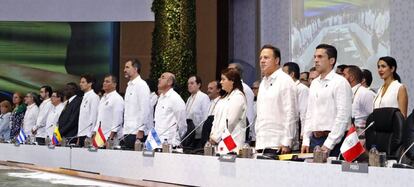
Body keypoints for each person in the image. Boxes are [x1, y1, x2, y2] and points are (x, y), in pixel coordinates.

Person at [301, 44, 352, 157]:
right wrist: (306, 139)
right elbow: (309, 113)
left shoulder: (340, 82)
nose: (315, 60)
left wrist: (329, 143)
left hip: (335, 141)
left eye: (320, 57)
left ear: (331, 60)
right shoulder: (314, 83)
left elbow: (343, 116)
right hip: (314, 140)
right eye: (315, 57)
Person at [255, 45, 297, 153]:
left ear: (277, 60)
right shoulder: (263, 82)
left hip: (278, 144)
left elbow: (291, 113)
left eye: (266, 58)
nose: (262, 61)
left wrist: (287, 141)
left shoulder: (285, 81)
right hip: (261, 142)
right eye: (260, 58)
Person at [209, 68, 247, 152]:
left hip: (232, 142)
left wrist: (216, 138)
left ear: (232, 81)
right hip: (220, 142)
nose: (221, 82)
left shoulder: (238, 97)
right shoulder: (224, 98)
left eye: (223, 79)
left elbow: (230, 123)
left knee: (230, 160)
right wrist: (212, 135)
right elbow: (216, 120)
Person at [121, 59, 151, 149]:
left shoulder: (142, 85)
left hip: (137, 132)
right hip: (128, 130)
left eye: (127, 67)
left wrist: (141, 129)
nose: (124, 70)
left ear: (135, 69)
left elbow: (145, 109)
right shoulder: (129, 86)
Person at [343, 65, 375, 141]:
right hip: (347, 136)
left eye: (344, 75)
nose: (341, 78)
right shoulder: (346, 92)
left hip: (361, 138)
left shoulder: (365, 93)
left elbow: (374, 118)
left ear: (351, 77)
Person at [154, 72, 186, 146]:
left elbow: (182, 125)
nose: (159, 79)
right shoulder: (160, 98)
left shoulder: (175, 99)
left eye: (162, 77)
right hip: (156, 142)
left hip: (170, 143)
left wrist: (176, 139)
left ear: (170, 82)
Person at [283, 62, 309, 151]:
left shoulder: (302, 89)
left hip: (297, 132)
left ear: (292, 74)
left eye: (284, 73)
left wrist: (304, 135)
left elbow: (304, 112)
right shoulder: (286, 88)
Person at [93, 75, 124, 147]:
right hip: (99, 136)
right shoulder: (103, 98)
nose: (104, 83)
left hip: (110, 137)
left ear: (114, 84)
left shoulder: (117, 98)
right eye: (104, 81)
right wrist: (95, 133)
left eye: (107, 82)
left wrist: (110, 138)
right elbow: (99, 119)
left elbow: (118, 120)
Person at [228, 63, 255, 143]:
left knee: (236, 152)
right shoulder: (230, 89)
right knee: (227, 152)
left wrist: (248, 130)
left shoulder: (245, 89)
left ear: (237, 72)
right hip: (229, 129)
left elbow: (249, 112)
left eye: (230, 70)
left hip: (240, 129)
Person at [185, 75, 210, 146]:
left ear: (199, 85)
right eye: (188, 84)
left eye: (192, 83)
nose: (189, 85)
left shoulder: (204, 97)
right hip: (189, 134)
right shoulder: (189, 98)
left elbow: (206, 117)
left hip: (199, 135)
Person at [78, 74, 100, 147]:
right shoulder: (84, 97)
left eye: (83, 82)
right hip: (81, 133)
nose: (80, 84)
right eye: (80, 82)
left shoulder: (94, 97)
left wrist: (90, 135)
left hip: (88, 135)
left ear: (90, 83)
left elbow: (93, 117)